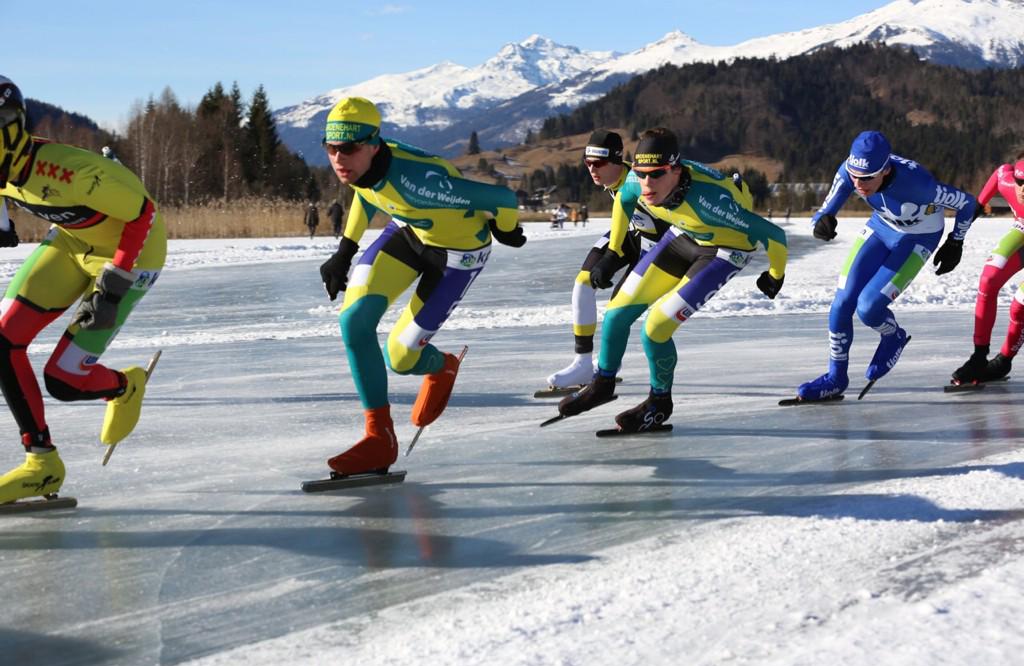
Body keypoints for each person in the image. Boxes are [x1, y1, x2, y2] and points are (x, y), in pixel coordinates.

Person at [318, 97, 523, 475]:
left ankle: (441, 366)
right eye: (330, 148)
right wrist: (345, 250)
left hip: (457, 256)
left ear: (373, 145)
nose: (337, 159)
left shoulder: (419, 184)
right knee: (354, 321)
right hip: (411, 233)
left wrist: (506, 229)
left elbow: (502, 198)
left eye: (347, 148)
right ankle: (379, 437)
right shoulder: (364, 164)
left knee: (400, 358)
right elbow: (365, 190)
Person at [0, 76, 167, 504]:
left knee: (64, 380)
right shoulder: (8, 162)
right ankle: (42, 464)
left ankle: (123, 385)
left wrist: (113, 287)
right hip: (74, 241)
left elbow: (142, 211)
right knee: (2, 342)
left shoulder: (67, 172)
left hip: (134, 252)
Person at [557, 128, 787, 431]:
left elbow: (774, 235)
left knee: (655, 328)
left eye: (656, 174)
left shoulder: (710, 203)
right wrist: (613, 252)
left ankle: (659, 403)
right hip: (684, 235)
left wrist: (775, 275)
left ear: (675, 171)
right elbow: (622, 202)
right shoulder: (637, 183)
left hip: (726, 250)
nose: (646, 184)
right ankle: (603, 384)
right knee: (616, 314)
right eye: (640, 174)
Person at [796, 130, 977, 400]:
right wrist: (823, 219)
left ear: (885, 170)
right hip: (881, 228)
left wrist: (955, 241)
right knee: (842, 302)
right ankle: (836, 378)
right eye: (855, 175)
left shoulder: (918, 185)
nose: (859, 184)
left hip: (919, 237)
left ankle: (892, 336)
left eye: (867, 178)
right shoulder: (852, 171)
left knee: (869, 308)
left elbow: (968, 203)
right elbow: (829, 203)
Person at [544, 129, 672, 391]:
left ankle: (605, 365)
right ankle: (582, 363)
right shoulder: (612, 181)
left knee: (617, 308)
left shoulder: (639, 181)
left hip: (658, 245)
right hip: (631, 234)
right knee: (583, 283)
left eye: (599, 163)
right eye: (587, 163)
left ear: (617, 161)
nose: (592, 169)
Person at [950, 156, 1024, 384]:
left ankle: (1004, 360)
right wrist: (954, 241)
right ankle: (979, 356)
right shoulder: (1005, 177)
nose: (1023, 189)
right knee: (988, 280)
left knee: (1019, 307)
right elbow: (977, 206)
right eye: (1020, 181)